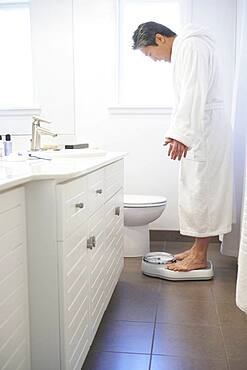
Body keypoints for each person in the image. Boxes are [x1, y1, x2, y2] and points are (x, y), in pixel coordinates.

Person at [132, 22, 233, 272]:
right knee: (197, 191)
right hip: (202, 130)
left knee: (203, 193)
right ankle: (197, 248)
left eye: (149, 54)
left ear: (160, 38)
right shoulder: (190, 46)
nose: (153, 60)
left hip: (204, 132)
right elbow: (189, 95)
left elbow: (193, 92)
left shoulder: (191, 46)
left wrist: (181, 135)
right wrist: (178, 132)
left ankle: (199, 256)